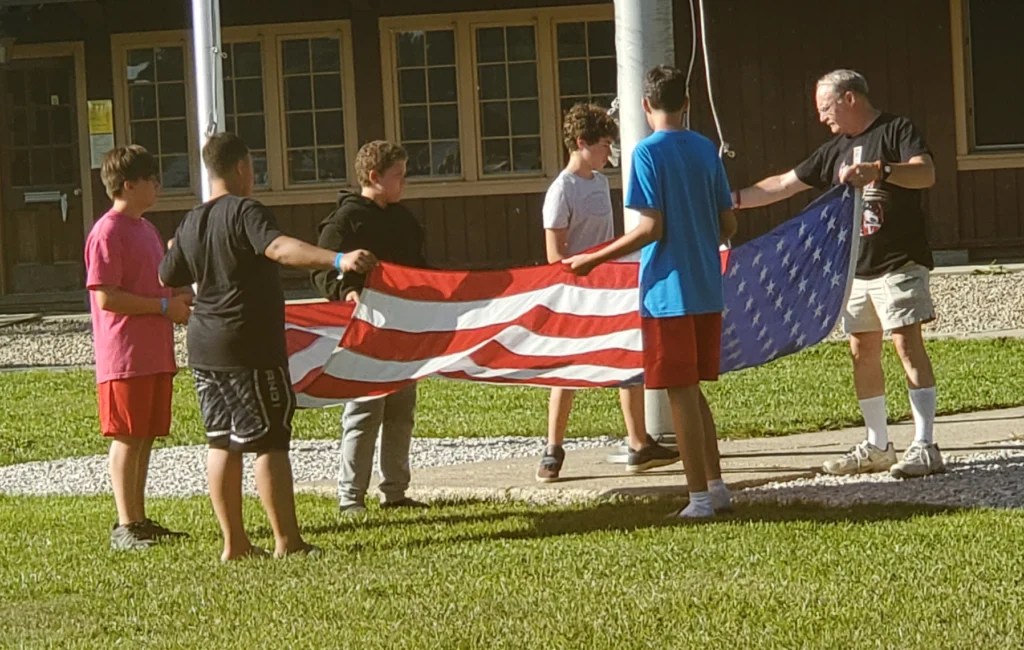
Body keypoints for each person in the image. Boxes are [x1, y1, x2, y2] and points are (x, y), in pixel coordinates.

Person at [159, 132, 377, 560]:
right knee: (268, 441)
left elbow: (169, 273)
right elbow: (278, 248)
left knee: (220, 441)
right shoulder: (245, 211)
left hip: (204, 345)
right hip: (249, 344)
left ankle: (234, 543)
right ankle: (287, 541)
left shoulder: (191, 220)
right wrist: (337, 260)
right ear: (242, 168)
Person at [732, 69, 943, 479]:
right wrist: (732, 201)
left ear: (849, 98)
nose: (822, 118)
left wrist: (881, 172)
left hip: (899, 261)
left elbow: (926, 173)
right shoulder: (834, 150)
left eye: (826, 107)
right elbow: (782, 184)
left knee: (906, 345)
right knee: (861, 351)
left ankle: (925, 445)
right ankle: (878, 444)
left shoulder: (897, 129)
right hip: (854, 270)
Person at [565, 65, 738, 518]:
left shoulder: (646, 153)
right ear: (686, 103)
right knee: (693, 391)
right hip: (706, 285)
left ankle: (698, 496)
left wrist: (593, 258)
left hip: (668, 291)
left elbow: (649, 228)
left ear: (645, 106)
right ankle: (716, 486)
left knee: (678, 391)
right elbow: (729, 223)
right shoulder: (706, 149)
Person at [537, 102, 677, 483]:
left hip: (609, 287)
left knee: (626, 359)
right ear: (580, 143)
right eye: (602, 145)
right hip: (576, 290)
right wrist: (584, 270)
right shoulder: (561, 189)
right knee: (566, 370)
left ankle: (637, 441)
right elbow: (555, 253)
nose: (607, 154)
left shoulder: (600, 182)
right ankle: (553, 446)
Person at [311, 140, 429, 515]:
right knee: (364, 411)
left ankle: (395, 491)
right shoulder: (345, 221)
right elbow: (322, 268)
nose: (404, 183)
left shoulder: (404, 219)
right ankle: (350, 497)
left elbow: (420, 267)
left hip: (402, 328)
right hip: (363, 331)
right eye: (398, 176)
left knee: (401, 410)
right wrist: (346, 293)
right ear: (374, 177)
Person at [85, 145, 192, 550]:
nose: (158, 186)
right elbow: (106, 298)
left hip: (154, 353)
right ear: (128, 185)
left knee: (145, 435)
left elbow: (158, 283)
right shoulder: (107, 232)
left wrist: (180, 295)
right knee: (127, 437)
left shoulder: (146, 230)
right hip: (124, 357)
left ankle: (140, 519)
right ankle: (124, 525)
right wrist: (164, 306)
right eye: (151, 179)